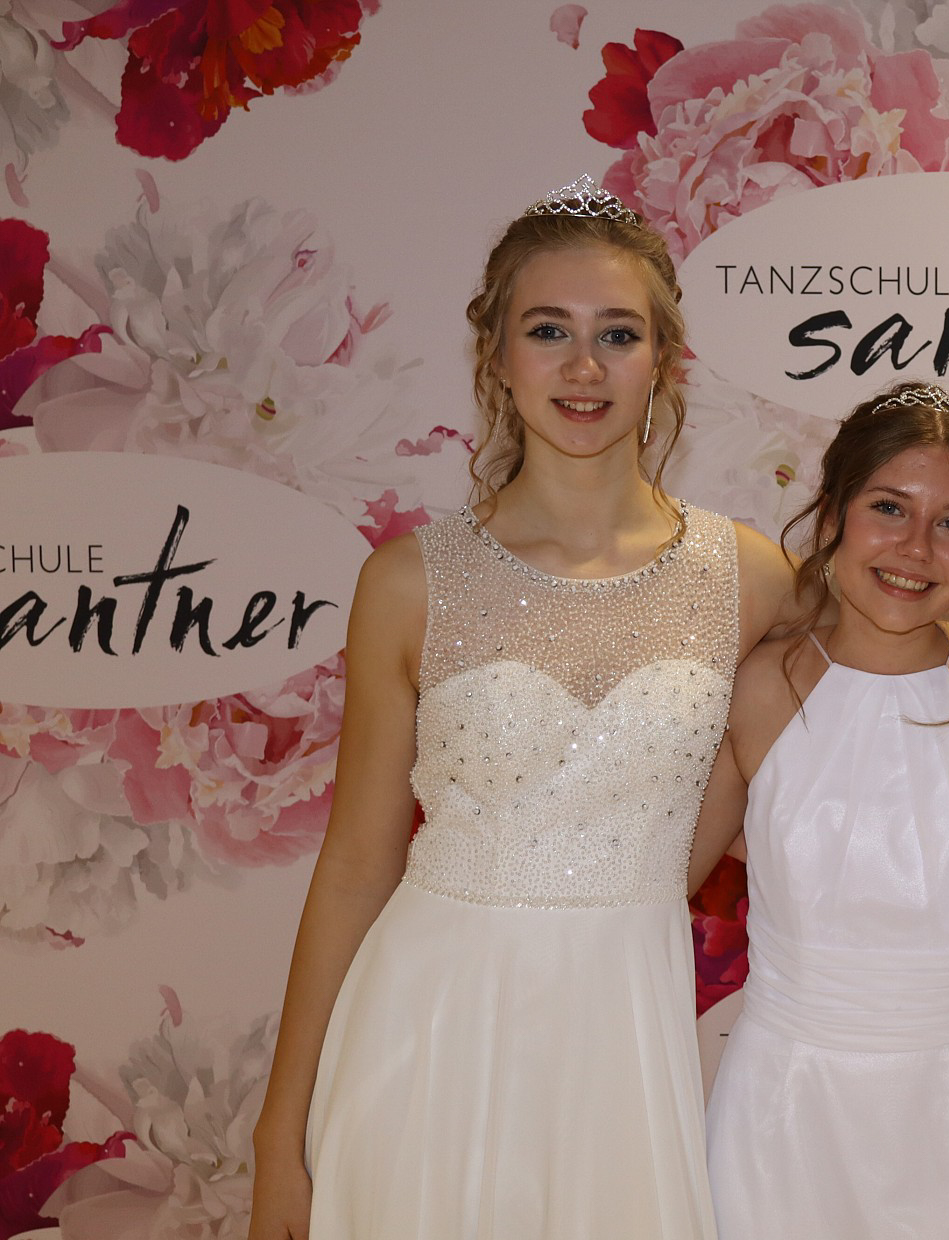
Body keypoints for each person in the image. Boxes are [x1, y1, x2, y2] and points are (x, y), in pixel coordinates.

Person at [249, 176, 795, 1240]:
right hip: (425, 1040)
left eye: (618, 334)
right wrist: (280, 1136)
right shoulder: (411, 582)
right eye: (549, 331)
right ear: (496, 356)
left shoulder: (750, 577)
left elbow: (814, 744)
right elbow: (356, 866)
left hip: (621, 1055)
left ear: (663, 359)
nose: (584, 366)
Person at [689, 381, 949, 1240]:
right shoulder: (758, 686)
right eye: (889, 508)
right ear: (832, 515)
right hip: (783, 1117)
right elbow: (657, 877)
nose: (916, 547)